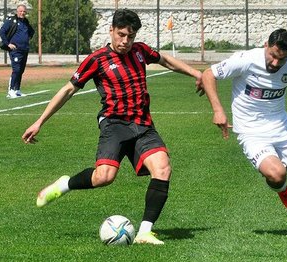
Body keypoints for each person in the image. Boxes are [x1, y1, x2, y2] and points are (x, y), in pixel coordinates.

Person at [22, 9, 202, 245]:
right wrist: (40, 121)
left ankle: (145, 232)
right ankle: (64, 184)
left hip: (143, 125)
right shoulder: (97, 59)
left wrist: (197, 73)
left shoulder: (140, 51)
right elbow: (68, 90)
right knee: (104, 177)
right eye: (121, 35)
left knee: (163, 168)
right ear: (111, 31)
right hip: (114, 125)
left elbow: (165, 60)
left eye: (130, 36)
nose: (125, 41)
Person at [199, 29, 287, 236]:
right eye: (273, 55)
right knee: (276, 175)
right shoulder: (246, 59)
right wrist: (218, 110)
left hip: (283, 130)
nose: (275, 63)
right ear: (266, 45)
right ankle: (282, 189)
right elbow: (209, 74)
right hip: (251, 132)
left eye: (281, 59)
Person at [0, 4, 35, 99]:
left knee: (21, 70)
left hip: (24, 50)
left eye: (24, 11)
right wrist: (8, 44)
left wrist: (27, 39)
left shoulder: (25, 22)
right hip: (15, 50)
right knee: (16, 70)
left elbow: (32, 31)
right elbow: (2, 32)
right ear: (17, 11)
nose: (22, 13)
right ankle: (11, 90)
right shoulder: (11, 21)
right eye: (21, 11)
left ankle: (17, 90)